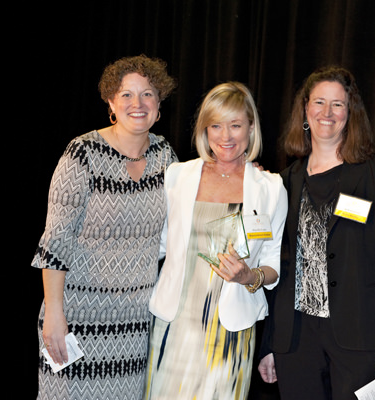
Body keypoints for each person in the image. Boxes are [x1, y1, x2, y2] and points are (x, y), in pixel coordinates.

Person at [258, 66, 375, 400]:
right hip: (295, 339)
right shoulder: (283, 182)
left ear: (350, 113)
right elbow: (275, 265)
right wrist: (269, 344)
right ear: (305, 111)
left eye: (338, 105)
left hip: (360, 337)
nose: (327, 113)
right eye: (319, 103)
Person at [31, 54, 178, 400]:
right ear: (111, 102)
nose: (137, 104)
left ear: (159, 105)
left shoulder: (165, 156)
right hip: (75, 317)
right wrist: (54, 313)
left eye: (147, 94)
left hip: (135, 326)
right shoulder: (82, 153)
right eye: (126, 94)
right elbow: (55, 241)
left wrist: (246, 174)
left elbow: (196, 203)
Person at [144, 82, 288, 399]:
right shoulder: (177, 177)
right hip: (173, 324)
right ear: (204, 129)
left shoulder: (270, 188)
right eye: (216, 126)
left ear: (251, 128)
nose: (225, 137)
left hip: (229, 335)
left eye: (235, 125)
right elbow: (153, 247)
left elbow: (273, 267)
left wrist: (249, 276)